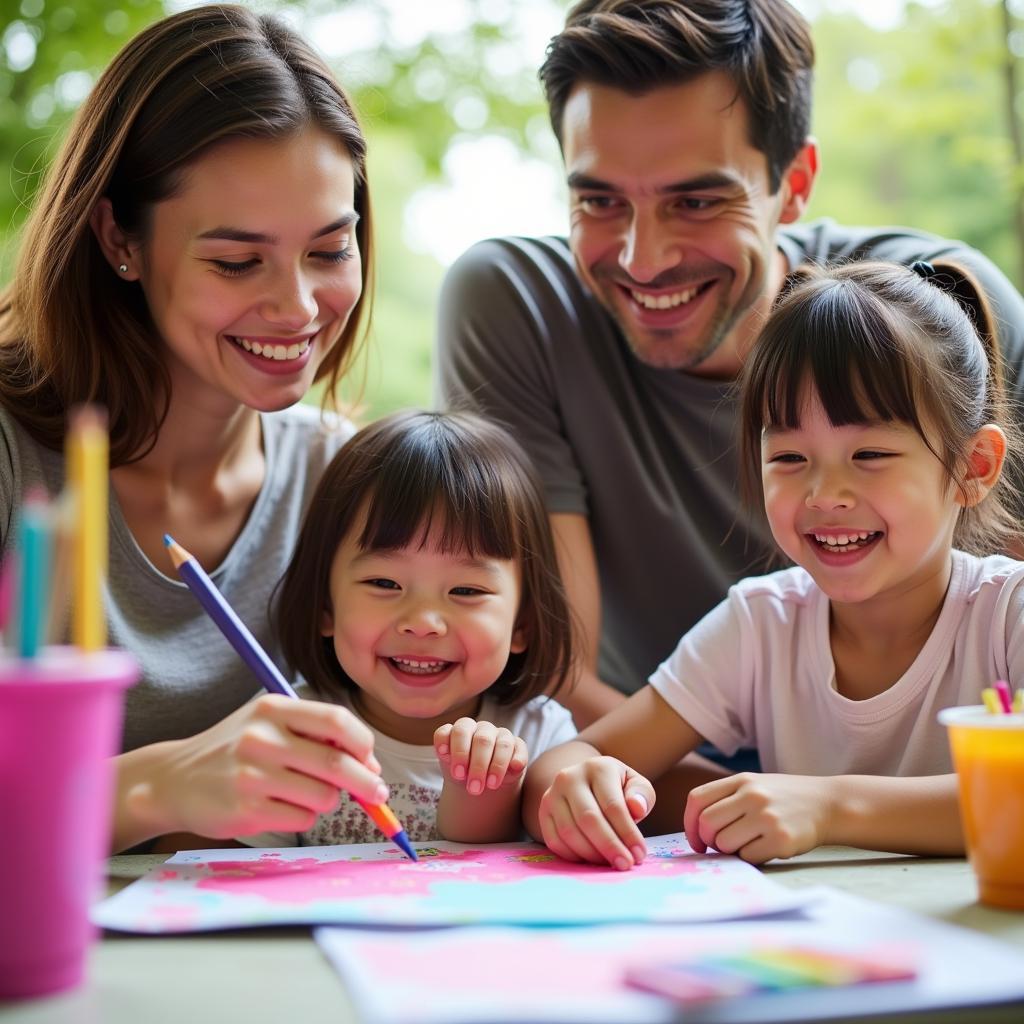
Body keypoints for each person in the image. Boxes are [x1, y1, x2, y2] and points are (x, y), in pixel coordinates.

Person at [435, 0, 1024, 735]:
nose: (641, 258)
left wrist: (822, 806)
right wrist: (735, 814)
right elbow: (558, 671)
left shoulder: (938, 310)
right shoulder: (517, 304)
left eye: (697, 200)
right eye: (599, 201)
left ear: (796, 180)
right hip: (654, 781)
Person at [0, 5, 389, 852]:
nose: (296, 307)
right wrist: (153, 786)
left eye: (330, 249)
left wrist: (554, 768)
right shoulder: (12, 461)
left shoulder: (344, 478)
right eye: (236, 261)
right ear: (118, 238)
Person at [522, 260, 1023, 868]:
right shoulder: (763, 624)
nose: (824, 494)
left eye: (869, 453)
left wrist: (831, 808)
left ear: (973, 467)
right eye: (788, 457)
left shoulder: (1006, 616)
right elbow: (565, 761)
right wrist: (577, 789)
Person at [241, 410, 576, 847]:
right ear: (326, 606)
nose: (422, 623)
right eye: (384, 583)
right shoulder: (290, 731)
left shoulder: (542, 735)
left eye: (466, 590)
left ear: (522, 624)